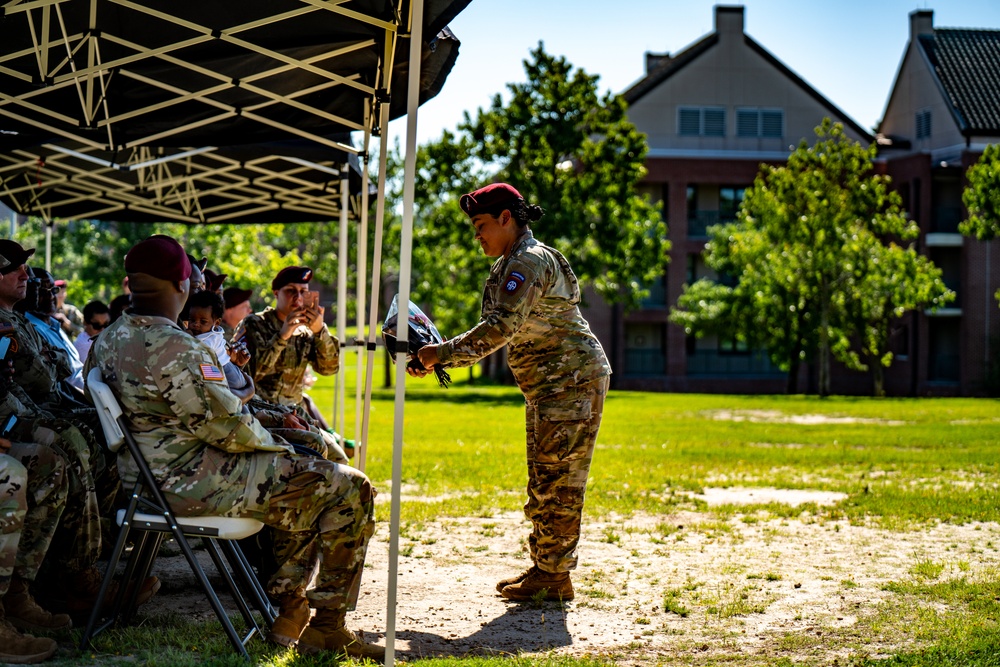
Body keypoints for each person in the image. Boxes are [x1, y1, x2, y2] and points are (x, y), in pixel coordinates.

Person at [86, 235, 383, 660]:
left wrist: (281, 440)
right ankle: (325, 625)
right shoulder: (176, 347)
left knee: (307, 474)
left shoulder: (108, 340)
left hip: (150, 478)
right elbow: (228, 426)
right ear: (182, 285)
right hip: (192, 482)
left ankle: (290, 605)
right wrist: (279, 446)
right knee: (348, 487)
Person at [410, 183, 612, 602]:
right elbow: (498, 327)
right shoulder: (513, 262)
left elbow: (500, 329)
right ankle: (547, 569)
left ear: (507, 218)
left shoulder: (529, 262)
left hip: (570, 383)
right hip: (552, 386)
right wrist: (438, 356)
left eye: (481, 225)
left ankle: (555, 578)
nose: (477, 235)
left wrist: (440, 354)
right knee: (544, 477)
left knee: (559, 480)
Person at [238, 266, 338, 408]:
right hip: (259, 409)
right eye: (291, 291)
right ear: (276, 293)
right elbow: (246, 374)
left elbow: (329, 369)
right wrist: (282, 336)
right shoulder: (255, 324)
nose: (298, 297)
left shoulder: (306, 331)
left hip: (294, 411)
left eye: (303, 292)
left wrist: (320, 331)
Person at [20, 269, 85, 391]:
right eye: (42, 291)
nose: (50, 296)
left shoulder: (54, 324)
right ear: (29, 293)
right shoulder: (32, 330)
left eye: (53, 290)